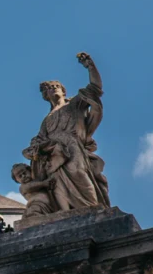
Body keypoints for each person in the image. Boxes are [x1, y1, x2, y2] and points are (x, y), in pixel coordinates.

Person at [22, 52, 110, 213]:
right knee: (57, 185)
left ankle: (93, 209)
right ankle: (65, 212)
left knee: (78, 173)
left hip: (72, 145)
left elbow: (95, 88)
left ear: (63, 91)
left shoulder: (74, 104)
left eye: (56, 86)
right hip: (54, 154)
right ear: (45, 96)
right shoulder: (47, 119)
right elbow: (40, 138)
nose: (52, 89)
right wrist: (36, 147)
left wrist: (90, 66)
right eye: (49, 89)